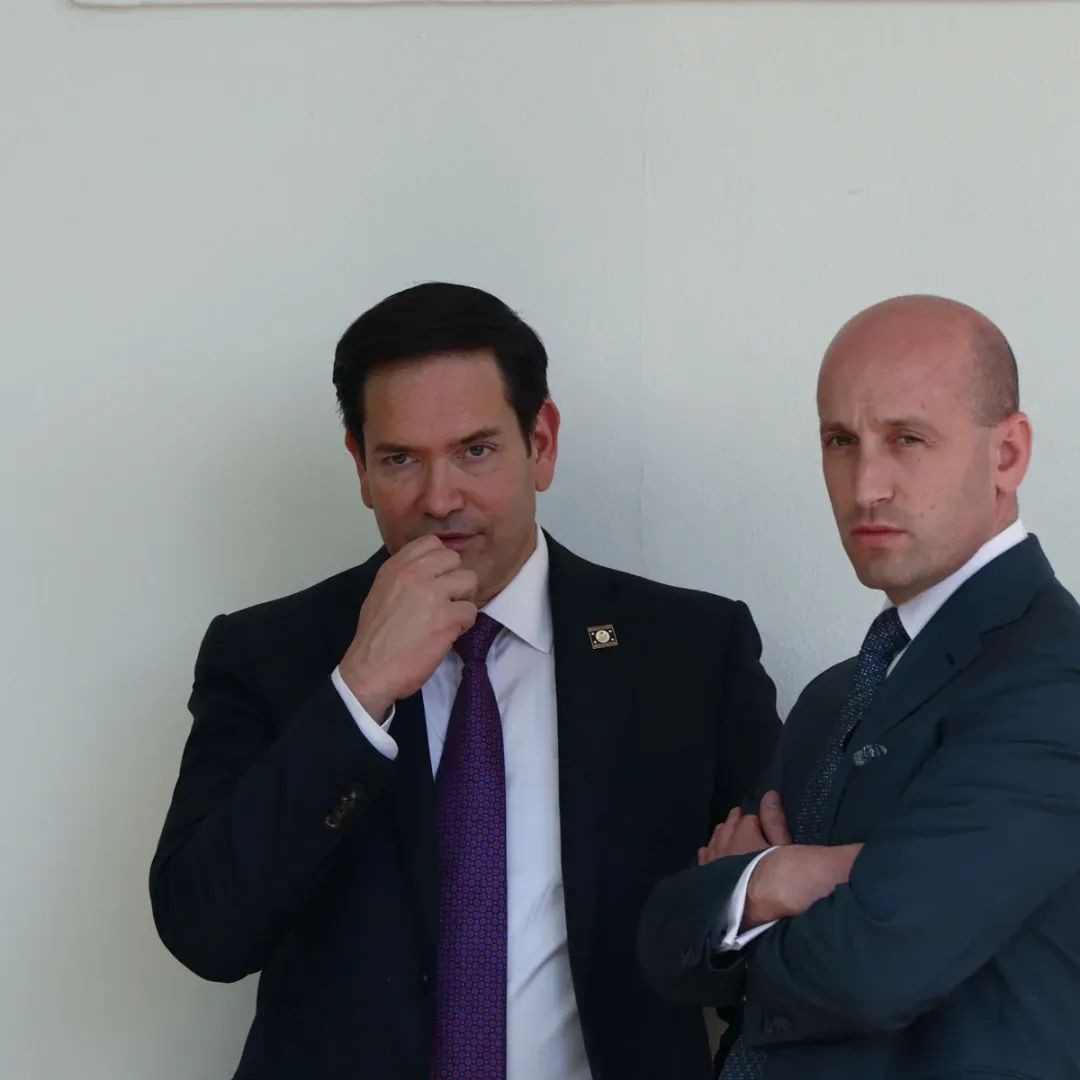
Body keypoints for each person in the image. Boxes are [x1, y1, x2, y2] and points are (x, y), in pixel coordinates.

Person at [150, 282, 781, 1080]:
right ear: (360, 466)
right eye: (400, 459)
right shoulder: (269, 653)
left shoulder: (689, 652)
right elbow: (205, 932)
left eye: (475, 451)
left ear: (541, 443)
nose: (439, 498)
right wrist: (359, 690)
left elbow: (777, 936)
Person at [637, 294, 1080, 1079]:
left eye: (907, 439)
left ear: (1007, 455)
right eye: (841, 441)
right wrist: (778, 877)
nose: (866, 485)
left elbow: (873, 969)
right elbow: (667, 941)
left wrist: (738, 901)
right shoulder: (831, 697)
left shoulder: (1056, 678)